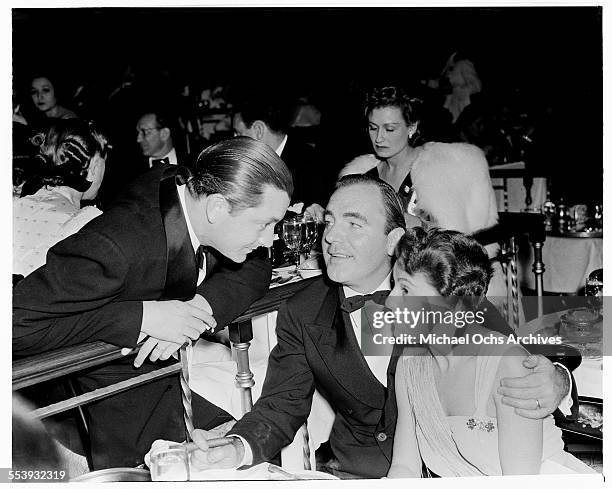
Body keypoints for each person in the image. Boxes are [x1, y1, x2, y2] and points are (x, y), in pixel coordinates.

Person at [190, 174, 571, 479]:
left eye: (354, 225)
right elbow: (280, 406)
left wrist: (558, 378)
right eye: (330, 223)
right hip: (366, 473)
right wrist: (236, 446)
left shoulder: (437, 283)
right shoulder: (303, 310)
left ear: (394, 240)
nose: (332, 238)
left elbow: (516, 350)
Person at [13, 137, 293, 468]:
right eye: (264, 224)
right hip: (92, 410)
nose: (268, 239)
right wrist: (141, 318)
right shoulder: (117, 245)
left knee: (257, 444)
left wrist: (198, 308)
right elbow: (13, 324)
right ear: (218, 207)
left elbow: (257, 265)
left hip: (163, 383)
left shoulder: (190, 196)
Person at [388, 228, 594, 476]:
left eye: (405, 290)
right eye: (394, 286)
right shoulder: (410, 363)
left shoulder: (508, 366)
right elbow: (404, 466)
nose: (390, 300)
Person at [232, 93, 331, 208]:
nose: (235, 140)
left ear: (258, 130)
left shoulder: (310, 165)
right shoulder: (248, 165)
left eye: (238, 133)